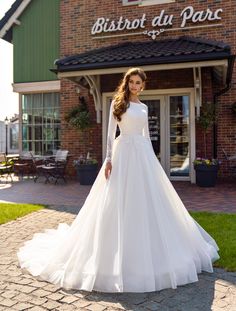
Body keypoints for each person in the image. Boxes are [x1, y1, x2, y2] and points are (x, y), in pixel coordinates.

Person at [17, 67, 219, 293]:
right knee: (117, 198)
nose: (135, 86)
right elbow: (110, 133)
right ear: (127, 83)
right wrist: (109, 159)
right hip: (123, 153)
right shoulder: (117, 103)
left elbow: (146, 136)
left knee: (147, 200)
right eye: (131, 82)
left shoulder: (143, 107)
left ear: (143, 85)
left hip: (142, 155)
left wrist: (152, 160)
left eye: (138, 83)